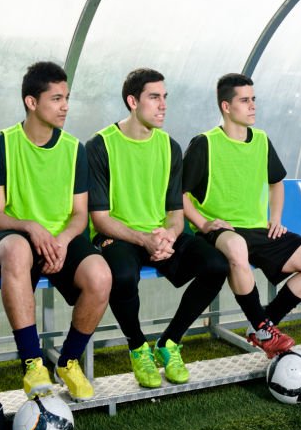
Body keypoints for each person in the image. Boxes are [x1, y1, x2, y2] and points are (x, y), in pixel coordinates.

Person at [0, 61, 111, 401]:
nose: (65, 106)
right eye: (56, 99)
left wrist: (63, 241)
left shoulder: (74, 149)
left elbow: (80, 215)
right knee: (19, 249)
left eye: (67, 98)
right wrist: (30, 227)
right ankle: (33, 363)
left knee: (100, 274)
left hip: (59, 240)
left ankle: (67, 362)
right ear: (31, 102)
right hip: (11, 238)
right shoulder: (0, 146)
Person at [88, 68, 229, 388]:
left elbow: (175, 214)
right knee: (121, 275)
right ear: (132, 101)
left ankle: (169, 343)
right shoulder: (100, 145)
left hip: (160, 235)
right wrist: (144, 239)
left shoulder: (170, 147)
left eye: (165, 97)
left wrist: (169, 236)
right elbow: (100, 218)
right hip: (118, 235)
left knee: (216, 264)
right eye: (154, 97)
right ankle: (138, 347)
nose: (163, 104)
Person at [182, 73, 301, 358]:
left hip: (259, 229)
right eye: (244, 100)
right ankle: (262, 327)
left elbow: (276, 182)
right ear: (227, 107)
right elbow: (179, 195)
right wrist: (203, 223)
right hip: (221, 231)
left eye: (254, 100)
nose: (252, 106)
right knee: (237, 246)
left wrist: (275, 217)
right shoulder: (204, 143)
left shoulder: (262, 140)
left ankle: (263, 324)